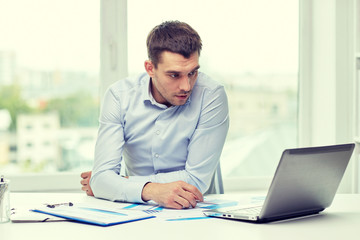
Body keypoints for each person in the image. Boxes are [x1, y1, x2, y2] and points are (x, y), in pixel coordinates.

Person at [80, 20, 229, 209]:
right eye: (174, 75)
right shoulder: (119, 96)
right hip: (136, 213)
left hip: (198, 211)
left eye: (192, 73)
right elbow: (101, 178)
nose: (186, 86)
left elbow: (195, 180)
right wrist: (150, 191)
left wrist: (122, 183)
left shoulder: (212, 95)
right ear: (150, 68)